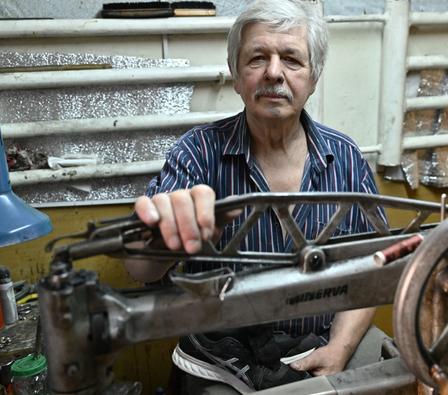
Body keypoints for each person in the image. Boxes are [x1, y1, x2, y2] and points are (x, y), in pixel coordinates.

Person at [128, 0, 388, 392]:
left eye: (291, 59)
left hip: (319, 345)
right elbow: (139, 269)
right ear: (236, 74)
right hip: (219, 359)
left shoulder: (346, 158)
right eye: (257, 58)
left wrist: (339, 347)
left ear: (313, 76)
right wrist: (160, 240)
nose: (273, 72)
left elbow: (372, 267)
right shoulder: (197, 152)